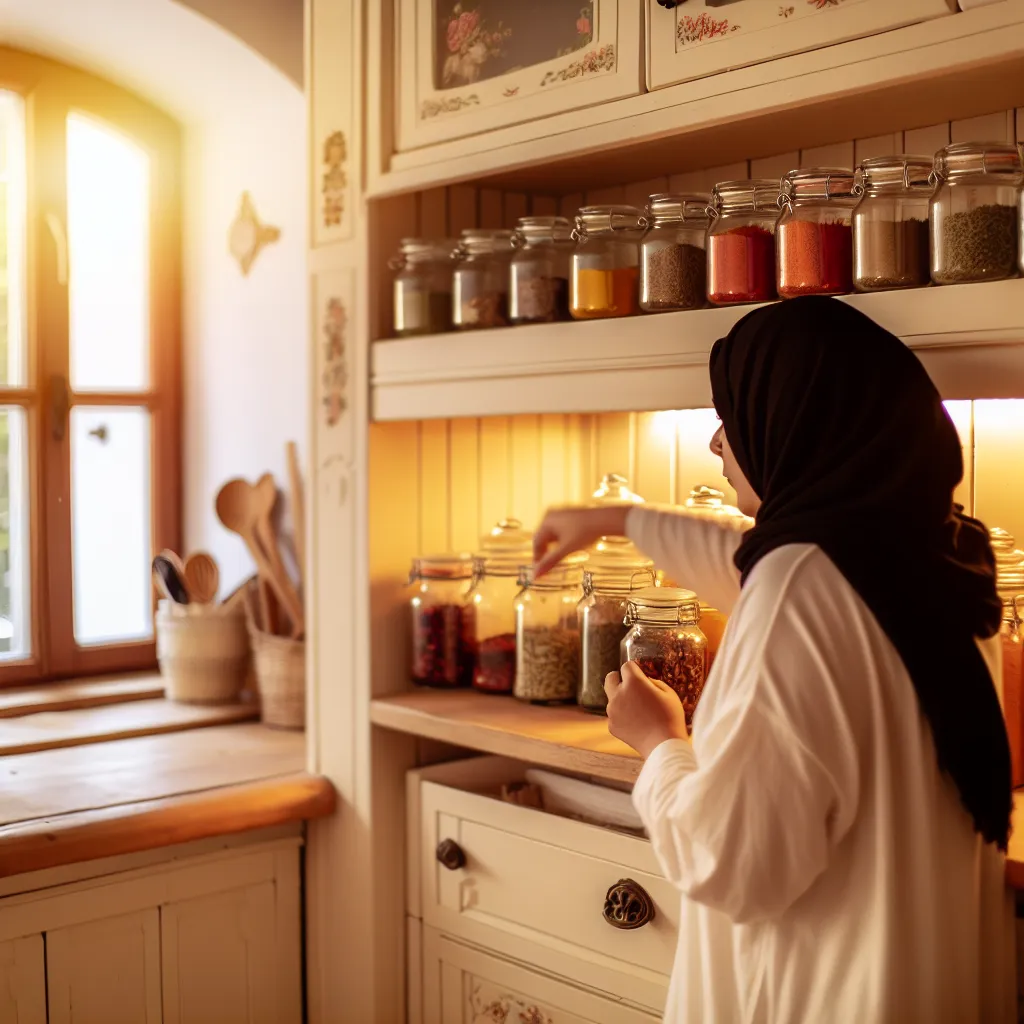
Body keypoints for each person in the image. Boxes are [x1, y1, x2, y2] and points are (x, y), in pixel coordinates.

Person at [532, 297, 1014, 1024]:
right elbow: (761, 564)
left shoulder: (800, 589)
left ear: (796, 420)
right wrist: (619, 521)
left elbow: (729, 864)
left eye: (735, 412)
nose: (717, 444)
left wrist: (660, 743)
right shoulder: (938, 558)